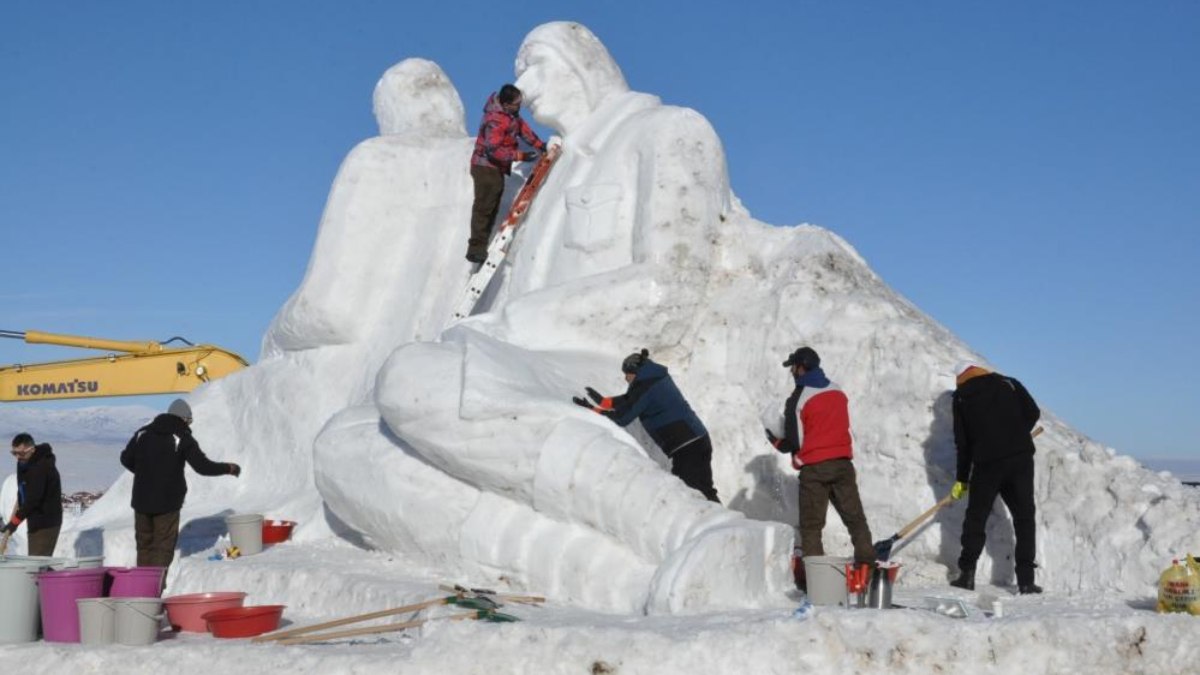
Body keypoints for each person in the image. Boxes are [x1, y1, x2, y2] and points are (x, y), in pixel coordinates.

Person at [766, 347, 875, 586]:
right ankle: (867, 571)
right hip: (843, 465)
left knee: (812, 527)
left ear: (801, 367)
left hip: (815, 470)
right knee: (855, 519)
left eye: (793, 367)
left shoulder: (799, 397)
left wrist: (774, 439)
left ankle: (816, 582)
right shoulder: (837, 391)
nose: (792, 372)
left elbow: (794, 442)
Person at [574, 349, 720, 502]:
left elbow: (622, 418)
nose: (625, 378)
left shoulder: (647, 386)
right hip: (696, 440)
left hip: (687, 448)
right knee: (704, 491)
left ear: (635, 371)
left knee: (689, 496)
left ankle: (717, 524)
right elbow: (631, 399)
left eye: (627, 374)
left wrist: (593, 410)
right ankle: (725, 523)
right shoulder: (653, 378)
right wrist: (605, 402)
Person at [948, 362, 1042, 594]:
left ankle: (967, 575)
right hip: (1020, 458)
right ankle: (1026, 581)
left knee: (976, 518)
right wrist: (1017, 433)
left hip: (987, 464)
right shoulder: (1009, 382)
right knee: (1024, 518)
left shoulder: (961, 398)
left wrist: (962, 479)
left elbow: (964, 443)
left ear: (961, 379)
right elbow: (1033, 412)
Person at [119, 399, 240, 578]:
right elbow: (202, 467)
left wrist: (145, 473)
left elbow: (125, 459)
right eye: (189, 421)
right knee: (162, 546)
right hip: (167, 502)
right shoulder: (181, 437)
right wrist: (228, 468)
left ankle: (141, 586)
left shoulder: (142, 433)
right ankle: (155, 588)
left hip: (141, 500)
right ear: (184, 419)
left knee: (144, 544)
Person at [466, 83, 546, 263]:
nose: (519, 107)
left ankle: (482, 244)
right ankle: (475, 248)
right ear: (507, 103)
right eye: (516, 103)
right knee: (484, 205)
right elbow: (492, 150)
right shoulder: (495, 120)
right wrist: (520, 155)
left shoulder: (512, 116)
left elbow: (524, 131)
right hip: (484, 166)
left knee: (493, 202)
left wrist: (540, 145)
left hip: (496, 167)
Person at [2, 433, 63, 556]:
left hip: (46, 521)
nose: (18, 457)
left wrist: (14, 523)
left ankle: (51, 574)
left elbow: (33, 500)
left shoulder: (41, 467)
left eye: (22, 453)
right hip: (34, 519)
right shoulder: (24, 462)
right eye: (15, 453)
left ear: (32, 449)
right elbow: (23, 489)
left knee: (37, 562)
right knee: (36, 560)